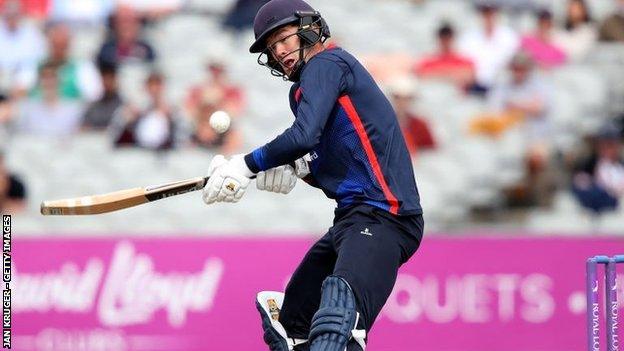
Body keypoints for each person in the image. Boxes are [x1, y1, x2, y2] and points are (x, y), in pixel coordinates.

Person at [200, 1, 424, 350]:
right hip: (351, 220)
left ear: (309, 28)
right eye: (271, 47)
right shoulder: (302, 91)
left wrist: (246, 164)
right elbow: (329, 159)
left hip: (386, 215)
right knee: (292, 322)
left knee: (338, 315)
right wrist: (296, 168)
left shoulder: (328, 62)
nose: (279, 51)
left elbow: (302, 137)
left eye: (283, 38)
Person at [458, 3, 519, 94]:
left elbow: (515, 63)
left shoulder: (509, 36)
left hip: (503, 85)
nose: (488, 17)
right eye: (485, 13)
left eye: (491, 13)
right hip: (475, 85)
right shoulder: (468, 37)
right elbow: (464, 64)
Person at [572, 124, 624, 213]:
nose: (606, 149)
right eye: (603, 144)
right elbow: (581, 186)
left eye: (610, 145)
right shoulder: (588, 165)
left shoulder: (621, 164)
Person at [414, 23, 476, 91]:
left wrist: (438, 74)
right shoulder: (428, 60)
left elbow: (469, 76)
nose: (445, 41)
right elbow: (421, 76)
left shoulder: (464, 60)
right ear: (439, 39)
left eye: (448, 38)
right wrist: (452, 75)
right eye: (443, 38)